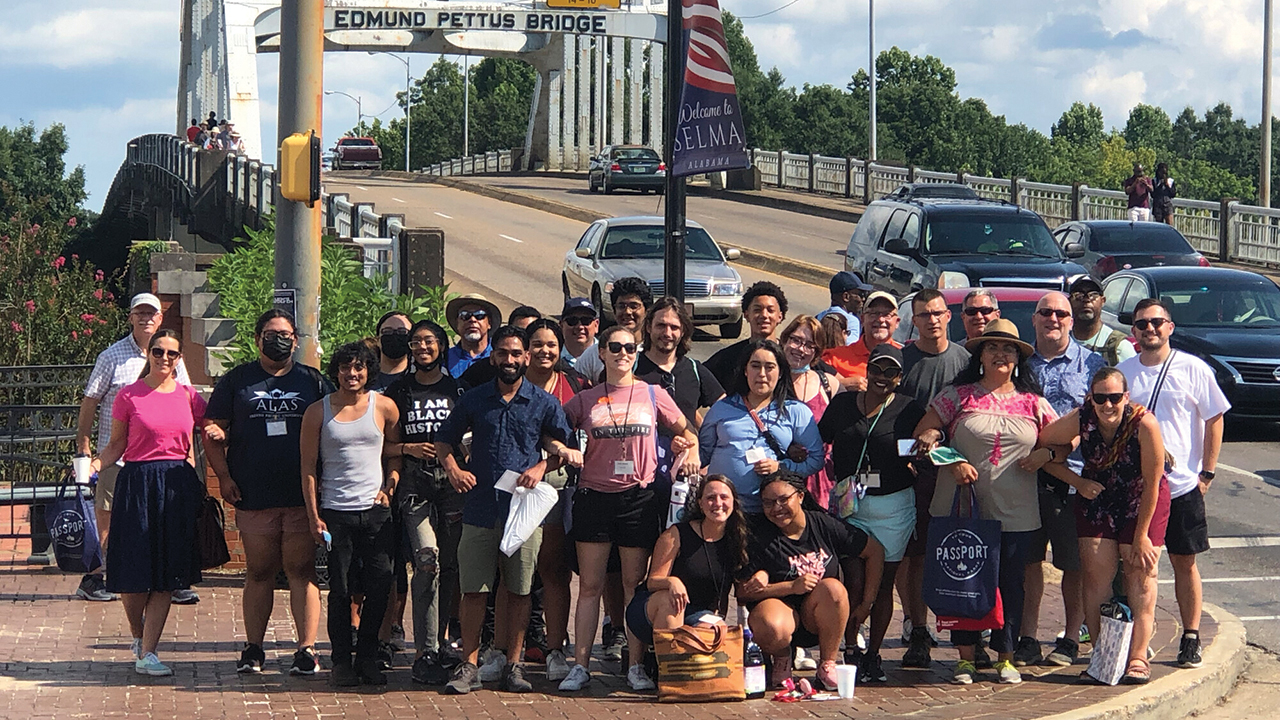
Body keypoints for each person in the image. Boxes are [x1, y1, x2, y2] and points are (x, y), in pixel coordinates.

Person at [434, 325, 577, 695]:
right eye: (503, 353)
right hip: (480, 507)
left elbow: (564, 451)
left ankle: (514, 665)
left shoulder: (545, 403)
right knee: (475, 590)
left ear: (526, 357)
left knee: (520, 589)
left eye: (517, 354)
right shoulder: (475, 399)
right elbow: (444, 441)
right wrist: (453, 470)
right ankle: (469, 664)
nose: (510, 360)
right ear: (493, 356)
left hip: (522, 513)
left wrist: (541, 467)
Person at [913, 319, 1057, 685]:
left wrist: (1046, 454)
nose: (1000, 354)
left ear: (1017, 358)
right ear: (980, 355)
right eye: (992, 348)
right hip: (962, 508)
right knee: (964, 580)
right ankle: (965, 657)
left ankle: (1005, 657)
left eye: (1008, 349)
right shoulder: (956, 396)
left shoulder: (1034, 402)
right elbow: (925, 435)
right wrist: (953, 459)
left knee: (1011, 583)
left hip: (1016, 511)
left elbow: (1063, 440)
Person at [558, 325, 699, 693]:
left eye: (630, 347)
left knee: (633, 584)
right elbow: (552, 428)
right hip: (594, 496)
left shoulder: (653, 394)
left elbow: (688, 431)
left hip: (638, 498)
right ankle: (581, 665)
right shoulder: (586, 399)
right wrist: (562, 450)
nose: (623, 353)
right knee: (590, 585)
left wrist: (690, 450)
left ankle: (636, 664)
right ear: (601, 353)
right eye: (615, 347)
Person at [205, 309, 332, 676]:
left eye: (287, 334)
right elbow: (213, 431)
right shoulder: (237, 381)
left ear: (296, 340)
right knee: (259, 571)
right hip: (253, 493)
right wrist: (224, 477)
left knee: (301, 570)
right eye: (271, 333)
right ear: (258, 337)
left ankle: (306, 649)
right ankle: (253, 648)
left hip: (301, 495)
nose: (279, 339)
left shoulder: (313, 381)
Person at [1036, 367, 1171, 684]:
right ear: (1090, 399)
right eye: (1100, 398)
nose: (1108, 405)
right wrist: (1077, 480)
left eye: (1114, 398)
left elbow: (1153, 483)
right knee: (1096, 574)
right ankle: (1103, 654)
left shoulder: (1143, 423)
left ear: (1126, 397)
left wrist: (1140, 537)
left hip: (1142, 498)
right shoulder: (1083, 417)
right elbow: (1046, 443)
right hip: (1099, 495)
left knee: (1139, 572)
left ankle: (1138, 656)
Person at [1118, 298, 1229, 669]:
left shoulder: (1193, 368)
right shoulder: (1122, 373)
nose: (1149, 329)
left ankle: (1191, 635)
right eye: (1141, 325)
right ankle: (1137, 641)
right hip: (1135, 486)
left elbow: (1214, 418)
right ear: (1133, 332)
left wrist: (1206, 472)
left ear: (1170, 326)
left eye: (1156, 322)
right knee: (1137, 565)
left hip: (1181, 485)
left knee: (1185, 562)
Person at [97, 330, 212, 677]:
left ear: (180, 359)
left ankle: (148, 651)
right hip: (137, 481)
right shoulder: (128, 396)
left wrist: (215, 431)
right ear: (149, 353)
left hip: (176, 482)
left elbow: (210, 427)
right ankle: (138, 634)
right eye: (158, 351)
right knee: (132, 572)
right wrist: (95, 464)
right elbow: (117, 443)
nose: (164, 358)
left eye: (172, 354)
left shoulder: (189, 396)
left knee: (166, 572)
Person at [75, 292, 194, 604]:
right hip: (117, 455)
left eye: (151, 314)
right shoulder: (111, 356)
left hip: (162, 459)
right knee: (110, 521)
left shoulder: (172, 358)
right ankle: (99, 577)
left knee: (159, 522)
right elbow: (90, 401)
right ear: (130, 317)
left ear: (160, 319)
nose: (146, 319)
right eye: (139, 313)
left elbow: (188, 404)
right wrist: (84, 447)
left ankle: (169, 578)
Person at [819, 344, 925, 683]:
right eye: (877, 369)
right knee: (853, 580)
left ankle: (875, 655)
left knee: (883, 587)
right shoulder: (843, 404)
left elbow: (926, 445)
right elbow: (818, 438)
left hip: (893, 506)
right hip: (851, 504)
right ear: (867, 370)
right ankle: (851, 648)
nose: (882, 377)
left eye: (891, 372)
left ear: (900, 378)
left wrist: (927, 448)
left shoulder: (910, 410)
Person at [300, 341, 403, 686]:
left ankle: (369, 656)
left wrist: (389, 487)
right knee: (341, 591)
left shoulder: (385, 407)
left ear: (368, 371)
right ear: (337, 372)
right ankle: (341, 660)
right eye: (345, 368)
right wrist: (315, 516)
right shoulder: (318, 411)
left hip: (375, 513)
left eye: (358, 367)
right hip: (335, 513)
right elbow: (308, 468)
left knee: (379, 586)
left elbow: (393, 455)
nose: (352, 374)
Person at [1015, 292, 1105, 668]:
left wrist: (1054, 452)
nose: (1053, 318)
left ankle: (1071, 638)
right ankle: (1027, 637)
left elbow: (1099, 418)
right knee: (1029, 561)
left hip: (1075, 479)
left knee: (1074, 564)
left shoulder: (1093, 364)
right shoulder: (1019, 363)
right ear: (1033, 319)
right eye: (1045, 312)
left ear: (1072, 320)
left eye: (1061, 313)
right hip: (1023, 478)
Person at [739, 471, 884, 691]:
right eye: (768, 502)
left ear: (800, 496)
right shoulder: (759, 535)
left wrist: (867, 603)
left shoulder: (822, 524)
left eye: (783, 500)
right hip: (780, 617)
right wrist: (789, 587)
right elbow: (742, 593)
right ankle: (781, 660)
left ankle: (828, 665)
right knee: (770, 623)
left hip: (819, 617)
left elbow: (874, 551)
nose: (776, 508)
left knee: (833, 589)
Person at [382, 319, 465, 686]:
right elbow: (381, 443)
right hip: (414, 483)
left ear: (442, 345)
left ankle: (443, 641)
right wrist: (407, 449)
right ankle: (423, 650)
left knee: (450, 564)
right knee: (426, 559)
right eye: (415, 342)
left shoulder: (456, 389)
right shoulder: (399, 390)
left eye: (429, 341)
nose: (422, 348)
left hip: (451, 483)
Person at [896, 289, 970, 668]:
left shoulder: (966, 362)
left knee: (957, 551)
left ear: (949, 316)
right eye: (923, 315)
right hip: (911, 469)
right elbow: (891, 421)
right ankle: (917, 625)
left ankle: (968, 630)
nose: (932, 320)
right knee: (914, 554)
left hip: (958, 471)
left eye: (938, 313)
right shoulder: (902, 360)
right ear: (915, 320)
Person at [519, 319, 587, 683]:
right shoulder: (511, 379)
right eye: (538, 344)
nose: (545, 351)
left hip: (558, 484)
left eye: (551, 344)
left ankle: (556, 648)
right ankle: (506, 649)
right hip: (513, 482)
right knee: (513, 569)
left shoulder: (574, 385)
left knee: (553, 567)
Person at [699, 340, 824, 516]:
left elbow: (816, 459)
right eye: (755, 366)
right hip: (722, 510)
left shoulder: (796, 412)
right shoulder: (722, 408)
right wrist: (685, 449)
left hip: (771, 513)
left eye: (770, 367)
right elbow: (703, 454)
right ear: (745, 370)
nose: (762, 374)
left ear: (780, 372)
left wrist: (781, 467)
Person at [627, 475, 749, 647]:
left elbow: (723, 592)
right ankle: (669, 669)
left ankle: (684, 667)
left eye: (724, 497)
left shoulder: (736, 539)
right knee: (671, 602)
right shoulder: (676, 534)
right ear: (700, 503)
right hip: (654, 606)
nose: (718, 503)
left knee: (717, 630)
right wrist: (672, 582)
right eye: (710, 498)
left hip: (698, 612)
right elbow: (652, 582)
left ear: (734, 502)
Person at [779, 315, 840, 507]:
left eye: (809, 345)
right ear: (785, 340)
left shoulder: (829, 384)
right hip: (780, 477)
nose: (800, 349)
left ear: (817, 352)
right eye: (796, 340)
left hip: (822, 482)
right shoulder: (768, 382)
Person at [636, 297, 724, 429]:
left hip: (686, 448)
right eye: (661, 325)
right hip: (641, 449)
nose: (667, 333)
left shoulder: (695, 369)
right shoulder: (631, 368)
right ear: (649, 327)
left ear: (683, 332)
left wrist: (707, 437)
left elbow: (725, 408)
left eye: (674, 327)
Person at [704, 281, 788, 389]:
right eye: (757, 310)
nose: (764, 315)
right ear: (747, 315)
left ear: (780, 316)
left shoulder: (790, 357)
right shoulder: (727, 358)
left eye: (770, 310)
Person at [575, 276, 652, 382]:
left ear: (647, 311)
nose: (627, 312)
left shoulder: (654, 352)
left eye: (634, 306)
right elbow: (575, 387)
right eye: (621, 306)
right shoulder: (594, 354)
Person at [822, 291, 902, 391]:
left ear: (897, 322)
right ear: (863, 319)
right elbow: (812, 389)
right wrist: (841, 385)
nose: (881, 319)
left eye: (887, 314)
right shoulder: (834, 358)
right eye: (874, 313)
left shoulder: (905, 358)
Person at [1069, 277, 1136, 366]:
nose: (1086, 300)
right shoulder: (1060, 342)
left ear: (1103, 301)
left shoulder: (1119, 347)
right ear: (1070, 301)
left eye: (1093, 295)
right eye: (1079, 295)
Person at [445, 294, 501, 378]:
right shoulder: (445, 359)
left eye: (479, 315)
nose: (472, 320)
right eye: (465, 315)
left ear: (489, 323)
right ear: (457, 324)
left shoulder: (501, 356)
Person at [816, 271, 871, 344]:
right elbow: (850, 350)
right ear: (846, 297)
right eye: (860, 295)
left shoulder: (819, 317)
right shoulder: (852, 321)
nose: (863, 299)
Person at [372, 311, 413, 391]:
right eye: (387, 331)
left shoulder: (421, 378)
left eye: (402, 332)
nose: (394, 336)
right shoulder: (364, 378)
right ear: (378, 340)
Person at [559, 297, 600, 372]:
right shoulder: (552, 356)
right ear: (561, 326)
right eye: (572, 321)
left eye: (586, 320)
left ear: (596, 325)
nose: (580, 326)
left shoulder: (609, 354)